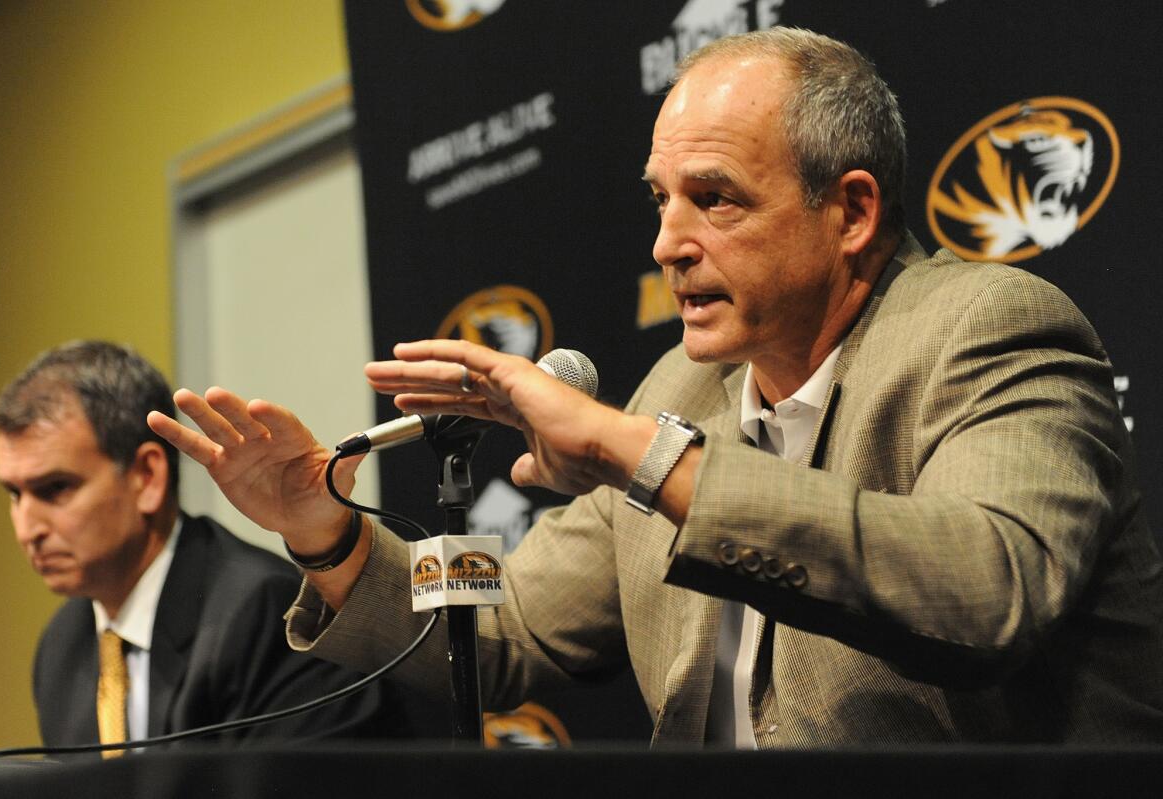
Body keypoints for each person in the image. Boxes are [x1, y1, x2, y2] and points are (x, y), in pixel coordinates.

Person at [149, 28, 1163, 746]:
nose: (667, 244)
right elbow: (505, 634)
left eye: (714, 199)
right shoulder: (685, 381)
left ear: (851, 212)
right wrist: (325, 533)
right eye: (660, 199)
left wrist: (633, 452)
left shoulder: (984, 327)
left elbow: (987, 590)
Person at [0, 340, 405, 757]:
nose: (28, 527)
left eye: (55, 488)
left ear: (147, 477)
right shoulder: (63, 644)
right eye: (14, 493)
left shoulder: (261, 612)